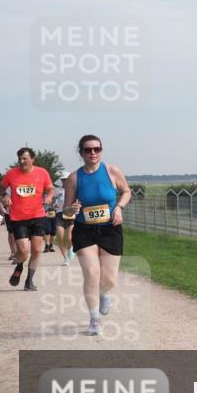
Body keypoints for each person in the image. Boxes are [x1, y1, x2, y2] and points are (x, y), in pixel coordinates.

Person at [63, 135, 132, 336]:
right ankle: (94, 318)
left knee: (109, 279)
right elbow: (66, 210)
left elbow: (126, 192)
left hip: (110, 229)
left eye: (96, 149)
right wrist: (72, 208)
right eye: (87, 150)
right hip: (85, 231)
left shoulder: (112, 171)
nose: (93, 153)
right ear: (81, 153)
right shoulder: (74, 178)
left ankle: (103, 293)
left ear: (101, 150)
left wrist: (119, 207)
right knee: (92, 274)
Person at [1, 147, 55, 291]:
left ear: (32, 159)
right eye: (19, 158)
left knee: (37, 250)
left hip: (38, 216)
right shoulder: (11, 174)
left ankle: (29, 281)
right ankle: (19, 266)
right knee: (24, 251)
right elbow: (1, 188)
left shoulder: (42, 173)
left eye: (24, 158)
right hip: (18, 218)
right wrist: (5, 196)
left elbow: (51, 189)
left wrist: (49, 197)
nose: (21, 161)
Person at [53, 177, 75, 266]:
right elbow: (52, 202)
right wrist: (54, 200)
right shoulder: (57, 190)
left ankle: (71, 249)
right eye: (63, 179)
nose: (65, 181)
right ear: (61, 181)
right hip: (59, 214)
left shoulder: (74, 189)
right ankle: (65, 258)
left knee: (70, 238)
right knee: (61, 238)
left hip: (70, 214)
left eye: (66, 179)